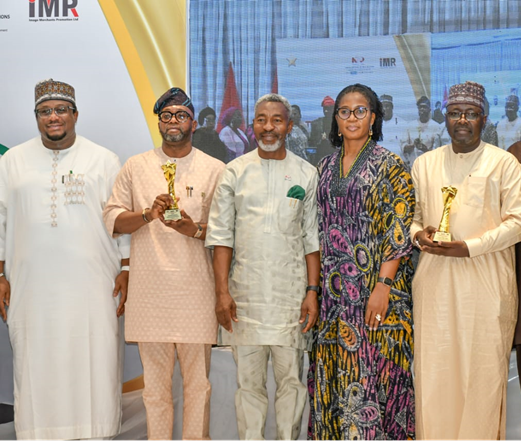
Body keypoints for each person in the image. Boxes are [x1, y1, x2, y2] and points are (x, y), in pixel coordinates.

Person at [0, 78, 129, 440]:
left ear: (75, 114)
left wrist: (126, 266)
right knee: (35, 360)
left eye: (60, 110)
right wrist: (0, 275)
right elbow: (0, 220)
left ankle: (95, 432)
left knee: (95, 359)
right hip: (30, 287)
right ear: (36, 117)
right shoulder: (12, 161)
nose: (53, 117)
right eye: (44, 111)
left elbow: (120, 219)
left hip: (93, 285)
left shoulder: (103, 159)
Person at [103, 87, 224, 441]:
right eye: (167, 115)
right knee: (154, 391)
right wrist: (146, 214)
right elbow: (112, 219)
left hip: (196, 294)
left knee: (198, 386)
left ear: (193, 124)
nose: (174, 121)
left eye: (181, 115)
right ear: (158, 122)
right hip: (150, 295)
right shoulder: (136, 166)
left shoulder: (214, 169)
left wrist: (193, 229)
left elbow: (227, 231)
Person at [206, 93, 320, 441]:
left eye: (276, 120)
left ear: (289, 125)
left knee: (292, 384)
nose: (268, 127)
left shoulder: (306, 173)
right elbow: (221, 236)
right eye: (261, 120)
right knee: (248, 387)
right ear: (252, 124)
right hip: (245, 299)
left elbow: (311, 238)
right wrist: (222, 293)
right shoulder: (234, 171)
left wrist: (312, 293)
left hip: (290, 299)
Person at [411, 81, 521, 440]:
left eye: (471, 114)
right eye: (455, 113)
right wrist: (418, 235)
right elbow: (412, 218)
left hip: (486, 283)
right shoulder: (424, 164)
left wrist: (470, 247)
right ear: (445, 118)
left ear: (484, 119)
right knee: (435, 374)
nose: (462, 120)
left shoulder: (504, 163)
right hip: (435, 282)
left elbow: (518, 222)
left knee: (483, 376)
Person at [310, 83, 415, 440]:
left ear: (373, 118)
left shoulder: (391, 165)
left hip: (377, 298)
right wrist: (315, 291)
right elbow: (316, 231)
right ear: (336, 119)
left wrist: (383, 287)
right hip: (334, 301)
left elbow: (398, 230)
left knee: (378, 383)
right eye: (344, 111)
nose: (351, 118)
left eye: (360, 111)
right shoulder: (324, 168)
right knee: (335, 383)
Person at [401, 96, 445, 168]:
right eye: (420, 107)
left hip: (429, 167)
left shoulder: (436, 127)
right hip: (413, 167)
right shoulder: (410, 126)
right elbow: (403, 147)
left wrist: (424, 149)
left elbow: (437, 153)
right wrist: (413, 145)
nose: (422, 109)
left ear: (429, 109)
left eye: (424, 107)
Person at [309, 96, 336, 165]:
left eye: (329, 108)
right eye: (325, 108)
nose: (326, 111)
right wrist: (320, 140)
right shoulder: (316, 124)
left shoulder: (340, 123)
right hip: (320, 156)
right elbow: (311, 142)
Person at [380, 94, 407, 158]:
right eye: (382, 107)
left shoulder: (402, 124)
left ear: (392, 107)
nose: (384, 109)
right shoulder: (374, 124)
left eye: (387, 106)